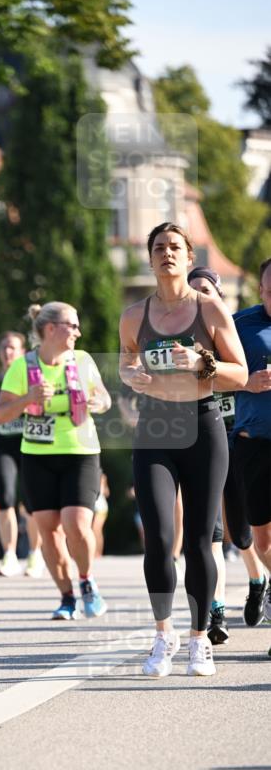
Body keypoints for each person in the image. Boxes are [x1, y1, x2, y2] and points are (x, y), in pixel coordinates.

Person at [119, 223, 247, 678]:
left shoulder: (209, 309)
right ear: (150, 259)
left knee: (198, 539)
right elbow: (127, 362)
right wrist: (132, 376)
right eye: (159, 248)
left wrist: (202, 362)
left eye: (175, 247)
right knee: (157, 536)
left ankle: (198, 641)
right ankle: (162, 635)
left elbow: (241, 374)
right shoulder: (134, 315)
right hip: (155, 427)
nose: (167, 254)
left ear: (188, 257)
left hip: (203, 426)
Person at [0, 302, 111, 619]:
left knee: (76, 523)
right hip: (38, 457)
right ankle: (66, 596)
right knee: (49, 532)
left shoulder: (84, 361)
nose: (78, 331)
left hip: (81, 453)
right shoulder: (22, 367)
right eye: (71, 326)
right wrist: (28, 399)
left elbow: (104, 398)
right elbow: (1, 414)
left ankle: (87, 582)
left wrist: (97, 400)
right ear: (50, 329)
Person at [187, 265, 266, 641]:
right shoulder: (180, 337)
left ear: (218, 294)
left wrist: (244, 383)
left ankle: (256, 577)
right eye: (193, 290)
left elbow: (244, 377)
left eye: (206, 289)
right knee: (211, 531)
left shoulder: (234, 330)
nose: (199, 295)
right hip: (204, 440)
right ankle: (216, 612)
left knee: (241, 531)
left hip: (239, 439)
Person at [0, 332, 44, 578]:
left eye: (13, 348)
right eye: (4, 348)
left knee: (31, 503)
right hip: (3, 442)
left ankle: (35, 555)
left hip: (29, 443)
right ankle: (10, 555)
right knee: (5, 498)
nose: (8, 352)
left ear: (23, 350)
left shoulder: (32, 374)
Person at [231, 257, 271, 642]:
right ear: (261, 290)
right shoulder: (240, 324)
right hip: (253, 445)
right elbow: (211, 376)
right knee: (262, 542)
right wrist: (248, 381)